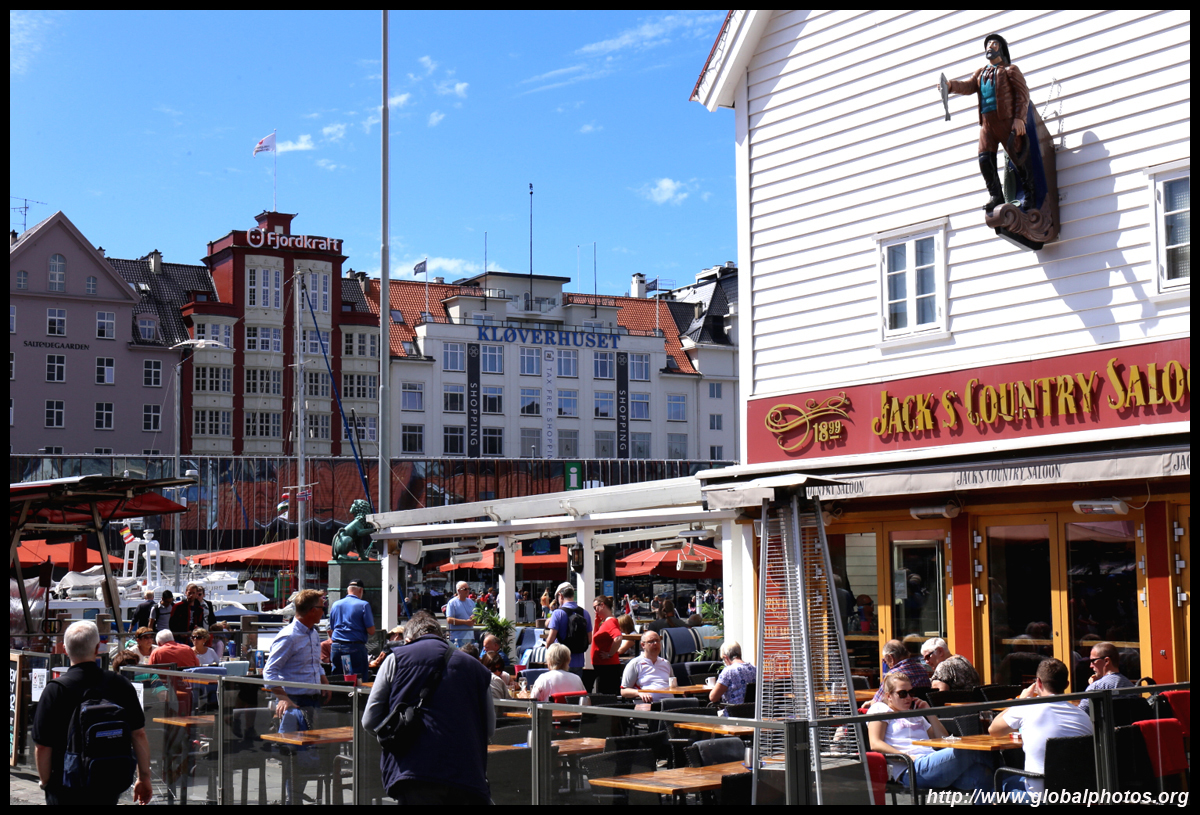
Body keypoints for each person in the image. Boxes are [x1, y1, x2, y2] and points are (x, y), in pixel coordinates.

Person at [362, 610, 494, 804]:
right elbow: (489, 728)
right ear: (441, 636)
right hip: (466, 773)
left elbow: (369, 721)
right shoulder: (475, 667)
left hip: (413, 772)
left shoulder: (395, 660)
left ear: (408, 639)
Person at [33, 620, 153, 805]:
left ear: (65, 649)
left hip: (66, 784)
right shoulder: (119, 683)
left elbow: (42, 746)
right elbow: (139, 733)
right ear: (98, 648)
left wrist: (46, 783)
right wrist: (143, 777)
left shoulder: (55, 690)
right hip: (108, 779)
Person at [944, 33, 1037, 213]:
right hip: (987, 123)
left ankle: (1031, 195)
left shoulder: (1011, 70)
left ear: (1001, 48)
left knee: (1019, 157)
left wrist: (1019, 118)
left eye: (993, 43)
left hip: (1006, 121)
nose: (990, 47)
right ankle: (996, 195)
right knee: (985, 159)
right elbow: (968, 86)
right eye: (987, 44)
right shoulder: (980, 73)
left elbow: (1022, 94)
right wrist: (950, 86)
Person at [867, 673, 993, 794]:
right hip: (911, 770)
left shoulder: (914, 714)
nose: (908, 698)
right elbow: (875, 743)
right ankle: (1010, 783)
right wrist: (907, 756)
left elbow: (942, 740)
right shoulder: (880, 709)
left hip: (933, 765)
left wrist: (929, 712)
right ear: (889, 696)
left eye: (911, 692)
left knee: (983, 774)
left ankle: (1006, 784)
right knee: (970, 749)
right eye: (902, 694)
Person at [990, 658, 1093, 800]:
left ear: (1038, 682)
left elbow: (994, 730)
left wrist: (1019, 701)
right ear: (1067, 684)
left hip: (1040, 796)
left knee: (992, 789)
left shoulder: (1027, 708)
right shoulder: (1084, 716)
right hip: (1077, 794)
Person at [263, 588, 332, 720]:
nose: (324, 612)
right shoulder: (289, 637)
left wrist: (324, 682)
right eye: (323, 609)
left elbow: (315, 663)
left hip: (314, 700)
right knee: (292, 740)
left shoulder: (313, 633)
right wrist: (283, 698)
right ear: (313, 610)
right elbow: (269, 671)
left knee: (312, 739)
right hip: (294, 701)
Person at [329, 579, 376, 679]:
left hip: (336, 647)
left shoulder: (336, 604)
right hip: (354, 648)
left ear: (348, 590)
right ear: (360, 590)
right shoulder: (363, 605)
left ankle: (339, 694)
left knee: (338, 679)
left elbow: (332, 628)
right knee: (357, 680)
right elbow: (371, 631)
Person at [544, 582, 591, 676]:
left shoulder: (558, 613)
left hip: (560, 663)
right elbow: (589, 640)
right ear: (573, 595)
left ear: (560, 596)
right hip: (579, 662)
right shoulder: (585, 613)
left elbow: (550, 640)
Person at [1077, 641, 1134, 714]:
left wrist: (1092, 686)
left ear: (1107, 661)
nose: (1091, 665)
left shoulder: (1096, 687)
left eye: (1093, 660)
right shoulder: (1130, 686)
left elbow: (1081, 714)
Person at [590, 595, 630, 694]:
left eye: (595, 608)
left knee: (606, 696)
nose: (595, 611)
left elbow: (618, 637)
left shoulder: (610, 622)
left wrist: (609, 654)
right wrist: (597, 622)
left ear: (602, 605)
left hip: (607, 667)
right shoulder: (606, 622)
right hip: (604, 666)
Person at [870, 639, 932, 704]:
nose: (885, 663)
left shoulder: (893, 675)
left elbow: (877, 702)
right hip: (921, 710)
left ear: (890, 658)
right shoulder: (922, 669)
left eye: (885, 660)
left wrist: (868, 704)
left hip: (899, 712)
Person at [620, 630, 673, 702]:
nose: (655, 643)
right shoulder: (635, 663)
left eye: (657, 641)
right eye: (651, 641)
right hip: (647, 704)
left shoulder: (666, 663)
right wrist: (639, 693)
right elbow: (624, 691)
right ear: (643, 645)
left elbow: (673, 685)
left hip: (670, 703)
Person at [710, 640, 756, 707]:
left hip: (733, 713)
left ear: (726, 657)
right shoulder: (754, 669)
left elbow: (713, 697)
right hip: (753, 713)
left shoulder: (728, 671)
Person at [445, 581, 477, 649]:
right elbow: (449, 620)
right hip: (457, 638)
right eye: (465, 589)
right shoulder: (452, 603)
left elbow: (476, 616)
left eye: (469, 589)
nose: (468, 591)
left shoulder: (471, 602)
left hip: (470, 637)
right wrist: (465, 622)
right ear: (458, 590)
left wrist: (474, 618)